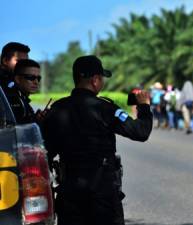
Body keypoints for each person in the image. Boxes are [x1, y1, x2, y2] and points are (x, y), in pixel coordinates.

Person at [41, 55, 153, 225]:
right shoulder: (105, 108)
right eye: (102, 78)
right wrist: (144, 106)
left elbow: (46, 152)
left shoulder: (57, 109)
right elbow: (140, 132)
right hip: (103, 192)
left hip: (70, 191)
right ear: (95, 80)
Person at [12, 59, 46, 124]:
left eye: (38, 78)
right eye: (31, 77)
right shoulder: (13, 100)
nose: (36, 82)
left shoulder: (22, 98)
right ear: (18, 79)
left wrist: (35, 118)